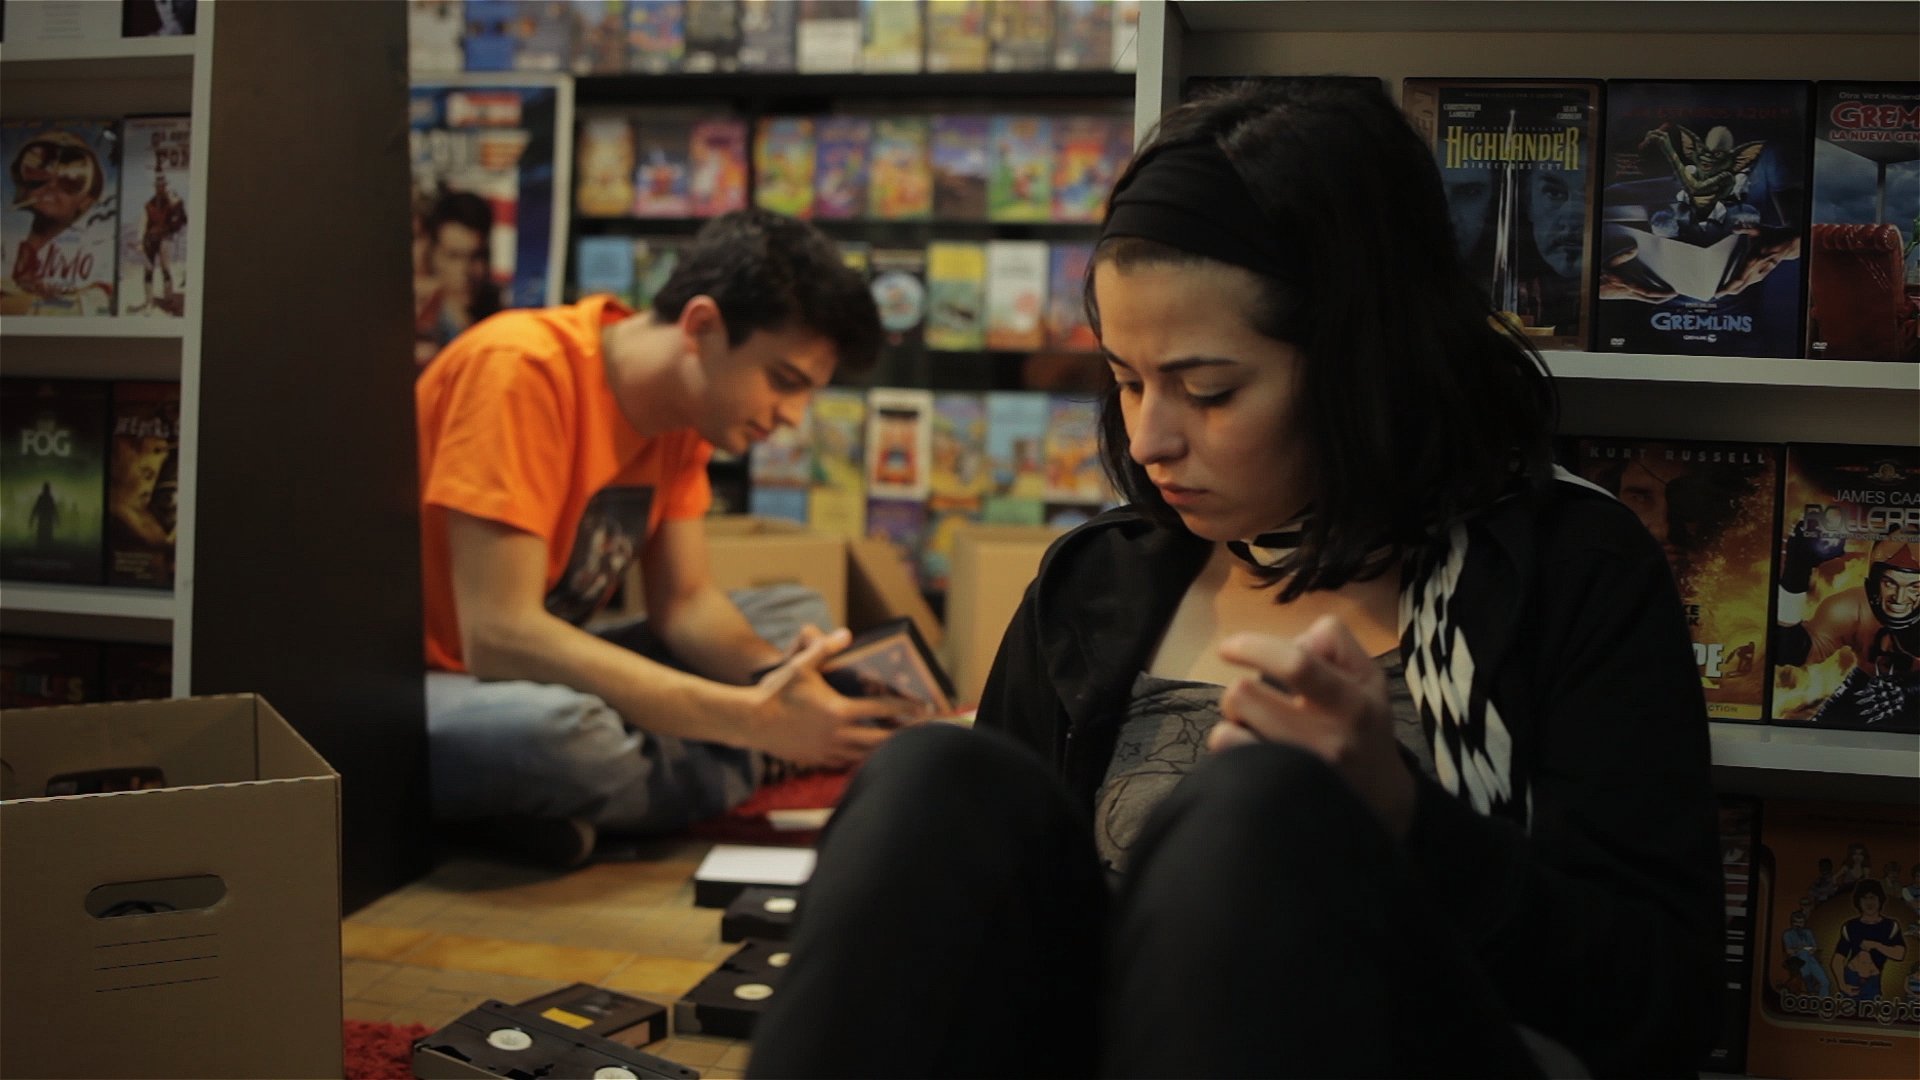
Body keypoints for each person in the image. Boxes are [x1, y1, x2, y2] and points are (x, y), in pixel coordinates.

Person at [748, 80, 1722, 1078]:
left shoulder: (1574, 572)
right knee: (931, 782)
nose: (1148, 438)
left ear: (1360, 362)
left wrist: (1405, 819)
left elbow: (1659, 1008)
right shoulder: (1095, 587)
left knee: (1258, 812)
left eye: (1208, 390)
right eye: (1126, 380)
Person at [417, 208, 907, 867]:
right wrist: (749, 720)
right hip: (430, 681)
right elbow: (498, 635)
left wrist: (781, 679)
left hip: (540, 665)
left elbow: (687, 606)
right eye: (783, 382)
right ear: (701, 326)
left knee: (795, 614)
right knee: (563, 738)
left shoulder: (685, 414)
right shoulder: (522, 368)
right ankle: (743, 762)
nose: (791, 417)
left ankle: (586, 805)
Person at [413, 189, 504, 364]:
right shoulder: (418, 324)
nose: (465, 272)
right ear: (431, 255)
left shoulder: (499, 317)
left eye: (476, 257)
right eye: (453, 256)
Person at [1831, 879, 1906, 1000]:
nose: (1869, 902)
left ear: (1880, 900)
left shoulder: (1891, 926)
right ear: (1858, 901)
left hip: (1873, 980)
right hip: (1851, 976)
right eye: (1864, 898)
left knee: (1870, 1014)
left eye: (1873, 897)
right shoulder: (1850, 926)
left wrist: (1876, 945)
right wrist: (1842, 985)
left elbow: (1899, 954)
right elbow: (1838, 959)